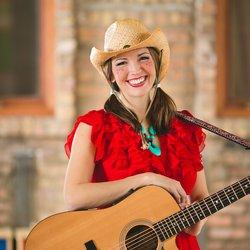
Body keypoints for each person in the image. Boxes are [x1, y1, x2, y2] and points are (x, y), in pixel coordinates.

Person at [64, 18, 209, 249]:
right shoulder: (93, 127)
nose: (135, 70)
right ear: (110, 75)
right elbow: (73, 197)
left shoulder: (186, 128)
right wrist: (147, 179)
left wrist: (195, 216)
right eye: (121, 63)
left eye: (144, 58)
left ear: (156, 64)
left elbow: (198, 207)